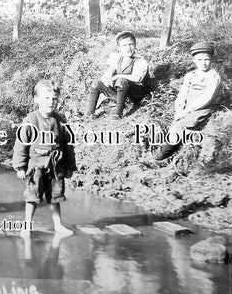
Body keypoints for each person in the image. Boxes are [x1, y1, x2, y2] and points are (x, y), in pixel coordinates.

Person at [13, 80, 77, 237]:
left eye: (54, 98)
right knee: (32, 196)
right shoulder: (30, 120)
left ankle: (58, 225)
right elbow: (21, 144)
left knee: (56, 196)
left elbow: (68, 145)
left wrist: (70, 166)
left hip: (56, 167)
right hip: (36, 167)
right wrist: (20, 166)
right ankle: (27, 226)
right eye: (47, 98)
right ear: (36, 99)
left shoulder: (61, 121)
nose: (51, 102)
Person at [154, 42, 222, 160]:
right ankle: (170, 146)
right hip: (187, 105)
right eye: (200, 59)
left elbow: (206, 98)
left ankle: (163, 153)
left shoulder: (214, 77)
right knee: (174, 123)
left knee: (185, 124)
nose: (203, 62)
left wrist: (186, 112)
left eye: (207, 59)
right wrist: (179, 108)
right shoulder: (190, 75)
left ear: (212, 60)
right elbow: (182, 93)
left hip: (203, 107)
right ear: (194, 61)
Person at [85, 31, 150, 119]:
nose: (128, 48)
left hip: (135, 94)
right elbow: (109, 70)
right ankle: (89, 114)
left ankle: (118, 113)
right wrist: (107, 79)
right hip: (121, 94)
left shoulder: (140, 61)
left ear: (135, 45)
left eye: (131, 44)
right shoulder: (116, 57)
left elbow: (138, 78)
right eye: (124, 45)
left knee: (121, 81)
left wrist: (118, 76)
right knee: (96, 83)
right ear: (118, 48)